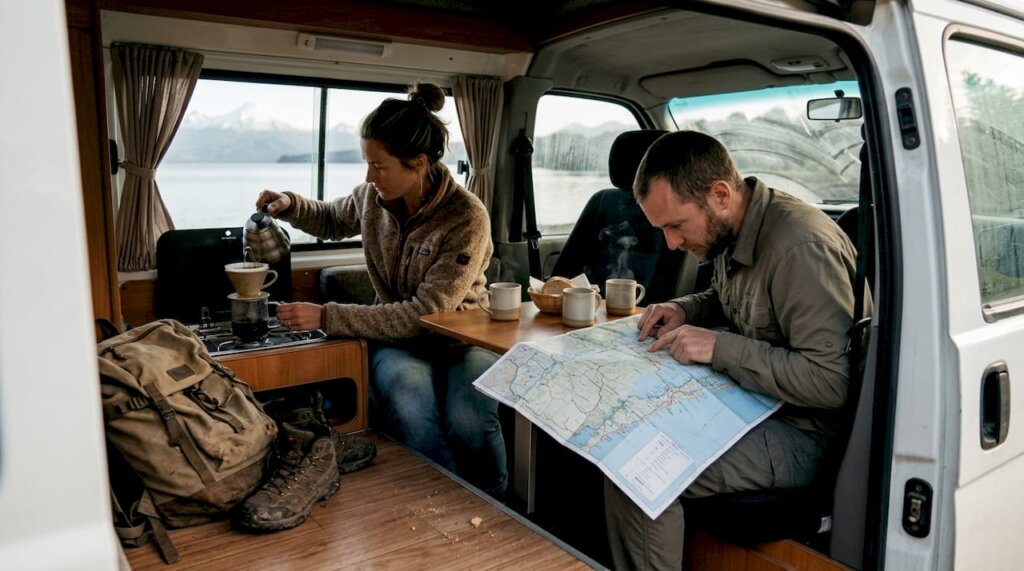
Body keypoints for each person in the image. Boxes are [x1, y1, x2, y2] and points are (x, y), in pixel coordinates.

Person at [604, 130, 858, 569]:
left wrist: (719, 346)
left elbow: (831, 381)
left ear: (719, 194)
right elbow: (731, 300)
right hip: (753, 404)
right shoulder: (729, 231)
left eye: (676, 225)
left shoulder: (800, 248)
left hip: (804, 431)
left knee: (639, 470)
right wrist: (684, 309)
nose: (671, 244)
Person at [255, 82, 507, 498]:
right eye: (367, 164)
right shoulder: (372, 198)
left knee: (468, 418)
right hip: (398, 341)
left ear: (418, 163)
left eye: (379, 166)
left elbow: (427, 312)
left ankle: (496, 501)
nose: (369, 177)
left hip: (464, 339)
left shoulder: (467, 217)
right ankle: (443, 502)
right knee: (411, 401)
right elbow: (333, 218)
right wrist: (290, 203)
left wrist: (326, 316)